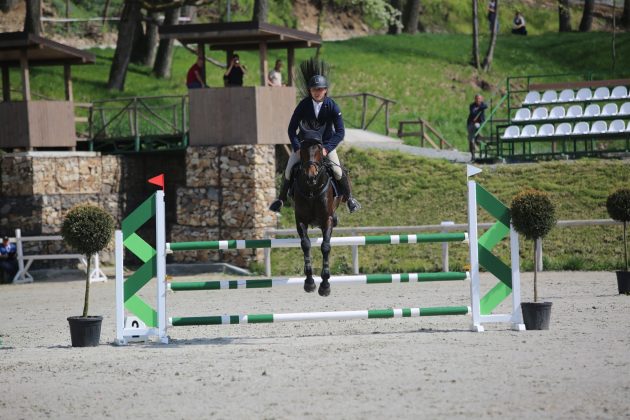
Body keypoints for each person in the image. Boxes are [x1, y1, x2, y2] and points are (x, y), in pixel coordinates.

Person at [269, 75, 361, 213]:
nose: (317, 92)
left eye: (320, 89)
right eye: (314, 89)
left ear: (325, 90)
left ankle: (349, 199)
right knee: (288, 170)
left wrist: (327, 148)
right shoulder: (303, 105)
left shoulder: (332, 106)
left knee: (337, 170)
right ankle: (281, 199)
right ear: (310, 90)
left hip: (325, 145)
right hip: (304, 146)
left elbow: (340, 132)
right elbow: (291, 129)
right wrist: (297, 147)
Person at [467, 94, 488, 162]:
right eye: (476, 99)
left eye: (479, 99)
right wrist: (479, 108)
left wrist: (479, 108)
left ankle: (477, 138)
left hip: (478, 124)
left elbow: (486, 106)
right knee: (471, 140)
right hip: (471, 124)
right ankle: (473, 156)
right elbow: (473, 113)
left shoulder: (483, 104)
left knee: (477, 127)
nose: (477, 100)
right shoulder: (472, 105)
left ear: (481, 99)